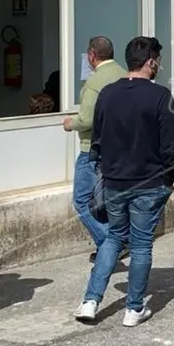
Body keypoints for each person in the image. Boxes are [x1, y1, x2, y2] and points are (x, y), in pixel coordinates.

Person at [76, 37, 174, 327]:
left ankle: (90, 301)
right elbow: (170, 145)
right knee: (141, 244)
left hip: (115, 181)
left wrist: (103, 169)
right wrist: (169, 178)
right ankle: (134, 308)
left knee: (113, 237)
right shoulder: (161, 96)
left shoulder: (108, 93)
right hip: (149, 182)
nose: (159, 66)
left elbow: (97, 137)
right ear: (151, 62)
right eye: (158, 61)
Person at [63, 36, 127, 261]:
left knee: (82, 200)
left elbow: (87, 119)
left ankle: (111, 244)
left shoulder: (94, 82)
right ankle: (116, 241)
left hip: (92, 148)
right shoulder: (124, 75)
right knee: (110, 199)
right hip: (119, 147)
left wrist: (70, 124)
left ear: (91, 55)